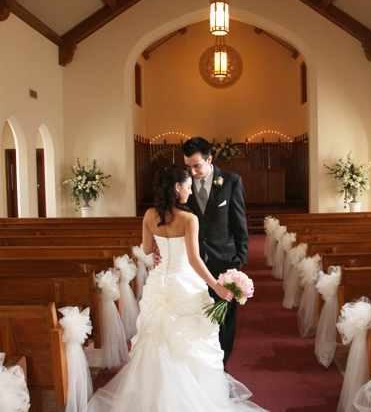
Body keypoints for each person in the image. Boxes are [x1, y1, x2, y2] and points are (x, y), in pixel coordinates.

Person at [85, 165, 267, 412]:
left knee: (157, 341)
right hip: (184, 283)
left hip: (159, 283)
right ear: (176, 187)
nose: (191, 192)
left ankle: (155, 399)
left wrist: (160, 251)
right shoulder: (189, 219)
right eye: (188, 187)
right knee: (189, 342)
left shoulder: (150, 215)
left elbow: (147, 249)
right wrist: (215, 285)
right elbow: (194, 260)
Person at [181, 136, 249, 365]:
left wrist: (239, 260)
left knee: (225, 318)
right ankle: (203, 363)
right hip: (193, 262)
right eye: (188, 166)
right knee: (199, 314)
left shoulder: (231, 181)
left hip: (225, 261)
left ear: (209, 159)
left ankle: (222, 365)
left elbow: (240, 224)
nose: (192, 172)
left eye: (196, 166)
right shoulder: (183, 183)